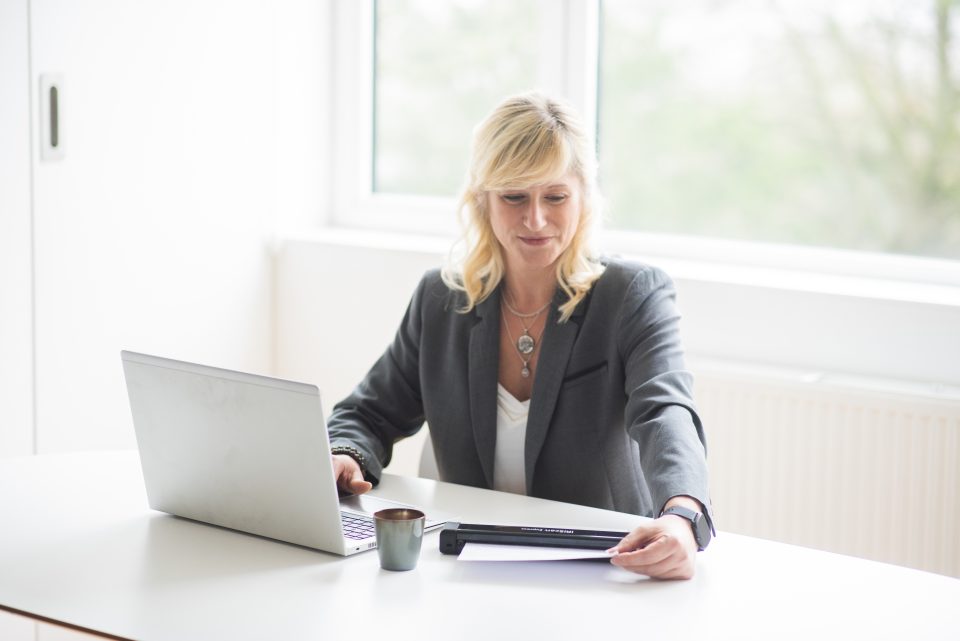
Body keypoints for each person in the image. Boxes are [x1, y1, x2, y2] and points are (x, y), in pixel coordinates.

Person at [326, 92, 714, 579]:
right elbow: (368, 413)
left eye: (555, 196)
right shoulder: (441, 300)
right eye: (514, 196)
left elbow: (666, 412)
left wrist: (682, 515)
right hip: (469, 564)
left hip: (603, 564)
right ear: (482, 199)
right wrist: (344, 453)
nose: (535, 219)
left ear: (584, 197)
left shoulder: (630, 295)